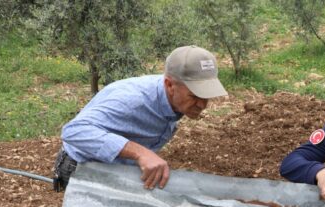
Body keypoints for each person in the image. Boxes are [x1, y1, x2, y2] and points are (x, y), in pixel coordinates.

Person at [53, 45, 228, 191]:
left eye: (207, 96)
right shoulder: (132, 101)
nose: (202, 104)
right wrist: (141, 153)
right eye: (195, 95)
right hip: (84, 168)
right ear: (169, 85)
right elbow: (74, 131)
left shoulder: (175, 98)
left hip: (119, 169)